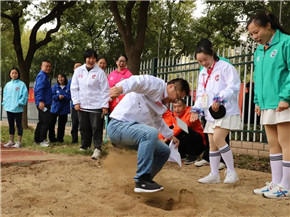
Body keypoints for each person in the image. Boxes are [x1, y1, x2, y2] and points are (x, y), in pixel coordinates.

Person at [107, 75, 190, 193]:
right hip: (118, 127)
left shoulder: (162, 103)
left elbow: (157, 120)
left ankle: (145, 182)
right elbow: (137, 81)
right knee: (150, 133)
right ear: (171, 87)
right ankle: (142, 179)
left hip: (133, 133)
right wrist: (121, 88)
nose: (175, 101)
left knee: (163, 151)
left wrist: (170, 135)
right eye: (177, 97)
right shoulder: (156, 85)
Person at [247, 12, 290, 199]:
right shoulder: (259, 50)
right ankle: (276, 182)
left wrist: (286, 97)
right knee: (273, 144)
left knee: (285, 143)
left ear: (269, 26)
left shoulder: (286, 42)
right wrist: (257, 101)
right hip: (266, 104)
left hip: (283, 102)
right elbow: (258, 77)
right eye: (251, 35)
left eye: (256, 32)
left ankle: (286, 186)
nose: (255, 37)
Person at [190, 39, 241, 184]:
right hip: (210, 113)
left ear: (212, 52)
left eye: (205, 59)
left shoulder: (225, 67)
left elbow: (234, 86)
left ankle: (231, 171)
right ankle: (214, 174)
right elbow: (201, 94)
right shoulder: (203, 73)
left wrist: (220, 99)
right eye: (200, 61)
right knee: (212, 143)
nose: (203, 63)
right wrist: (196, 109)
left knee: (219, 138)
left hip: (226, 111)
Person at [70, 49, 110, 159]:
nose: (91, 60)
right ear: (85, 59)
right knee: (83, 126)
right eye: (89, 58)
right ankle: (85, 145)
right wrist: (76, 102)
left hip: (96, 106)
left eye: (93, 58)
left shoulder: (100, 73)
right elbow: (74, 87)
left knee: (96, 127)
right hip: (82, 105)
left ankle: (97, 148)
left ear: (96, 60)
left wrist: (105, 105)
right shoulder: (78, 71)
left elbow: (105, 90)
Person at [158, 99, 206, 165]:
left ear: (184, 106)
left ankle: (193, 155)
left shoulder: (190, 112)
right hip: (187, 139)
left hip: (199, 143)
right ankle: (182, 154)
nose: (177, 109)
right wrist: (161, 139)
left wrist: (166, 139)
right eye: (174, 107)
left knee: (183, 130)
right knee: (172, 130)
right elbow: (167, 126)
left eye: (179, 106)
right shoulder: (174, 115)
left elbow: (179, 128)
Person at [2, 67, 28, 148]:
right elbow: (5, 95)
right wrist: (5, 103)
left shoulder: (22, 84)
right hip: (9, 108)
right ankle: (11, 141)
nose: (14, 75)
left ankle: (19, 142)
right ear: (10, 74)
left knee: (19, 124)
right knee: (11, 124)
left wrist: (20, 102)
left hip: (18, 108)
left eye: (15, 73)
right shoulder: (8, 85)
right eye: (12, 73)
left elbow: (25, 95)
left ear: (18, 74)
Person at [34, 61, 53, 147]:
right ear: (42, 67)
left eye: (49, 66)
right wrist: (41, 101)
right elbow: (39, 89)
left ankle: (37, 139)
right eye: (46, 66)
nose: (48, 68)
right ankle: (42, 139)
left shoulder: (44, 76)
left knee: (41, 121)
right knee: (46, 121)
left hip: (44, 102)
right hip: (43, 103)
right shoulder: (42, 76)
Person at [49, 73, 71, 143]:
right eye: (59, 77)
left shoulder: (68, 87)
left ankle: (60, 139)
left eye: (62, 77)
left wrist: (64, 96)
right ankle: (52, 139)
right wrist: (58, 97)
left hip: (64, 109)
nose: (60, 79)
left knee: (62, 125)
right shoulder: (55, 86)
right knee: (51, 124)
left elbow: (71, 96)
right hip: (55, 108)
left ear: (65, 78)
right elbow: (52, 96)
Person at [68, 62, 82, 144]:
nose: (78, 68)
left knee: (83, 125)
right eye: (76, 67)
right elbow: (70, 92)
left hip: (84, 106)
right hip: (74, 106)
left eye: (79, 66)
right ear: (74, 69)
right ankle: (74, 140)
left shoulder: (85, 79)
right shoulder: (71, 80)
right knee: (75, 124)